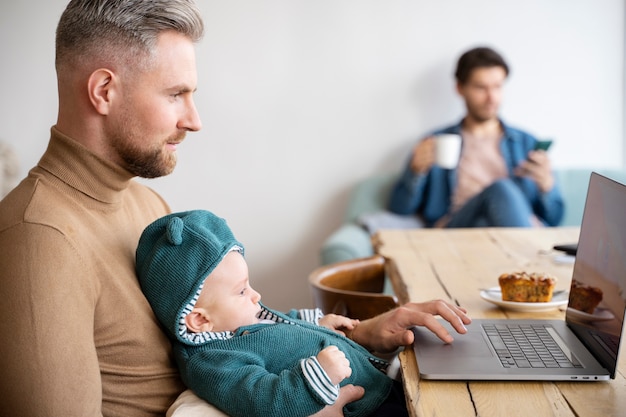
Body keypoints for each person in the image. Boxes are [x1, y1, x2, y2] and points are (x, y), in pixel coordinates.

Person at [0, 1, 470, 416]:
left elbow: (227, 337)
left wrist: (361, 335)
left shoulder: (145, 204)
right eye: (174, 94)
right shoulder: (38, 239)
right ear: (104, 91)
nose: (194, 120)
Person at [136, 210, 409, 417]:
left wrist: (315, 322)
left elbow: (274, 325)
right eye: (241, 291)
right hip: (367, 407)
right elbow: (262, 399)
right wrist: (319, 376)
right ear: (200, 320)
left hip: (380, 377)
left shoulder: (232, 322)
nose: (256, 295)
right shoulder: (212, 363)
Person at [388, 46, 564, 228]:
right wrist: (415, 172)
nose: (492, 97)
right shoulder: (436, 142)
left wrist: (547, 187)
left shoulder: (525, 142)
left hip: (505, 228)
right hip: (460, 227)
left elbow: (555, 219)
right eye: (481, 88)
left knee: (487, 219)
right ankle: (529, 253)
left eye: (497, 87)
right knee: (500, 189)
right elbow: (400, 208)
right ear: (460, 88)